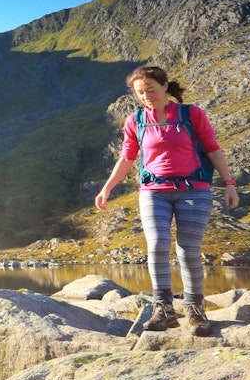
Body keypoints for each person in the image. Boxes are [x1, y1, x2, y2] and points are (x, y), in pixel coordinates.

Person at [94, 66, 239, 335]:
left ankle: (195, 310)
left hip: (194, 190)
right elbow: (127, 158)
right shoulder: (135, 121)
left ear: (164, 87)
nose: (146, 95)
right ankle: (163, 309)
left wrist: (229, 184)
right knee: (157, 244)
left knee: (188, 249)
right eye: (140, 92)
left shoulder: (191, 114)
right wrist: (106, 189)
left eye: (151, 89)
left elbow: (212, 149)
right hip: (153, 192)